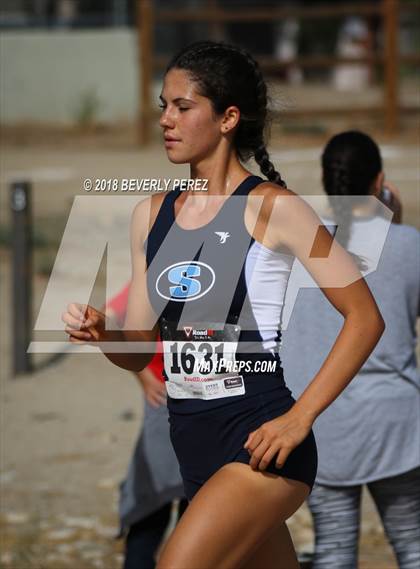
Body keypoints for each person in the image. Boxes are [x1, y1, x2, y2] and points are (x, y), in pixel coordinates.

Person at [63, 41, 385, 568]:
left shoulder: (275, 208)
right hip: (193, 447)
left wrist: (299, 418)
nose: (166, 120)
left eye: (182, 107)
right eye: (163, 106)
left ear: (228, 117)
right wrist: (105, 337)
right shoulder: (150, 215)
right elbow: (139, 349)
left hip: (260, 443)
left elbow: (366, 317)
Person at [281, 130, 420, 569]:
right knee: (413, 545)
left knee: (334, 550)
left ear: (326, 184)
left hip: (320, 421)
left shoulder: (296, 247)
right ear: (379, 179)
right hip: (396, 425)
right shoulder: (410, 243)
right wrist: (392, 225)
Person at [104, 283, 187, 569]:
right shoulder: (156, 276)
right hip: (165, 400)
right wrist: (142, 375)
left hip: (203, 403)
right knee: (152, 501)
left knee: (191, 504)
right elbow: (109, 317)